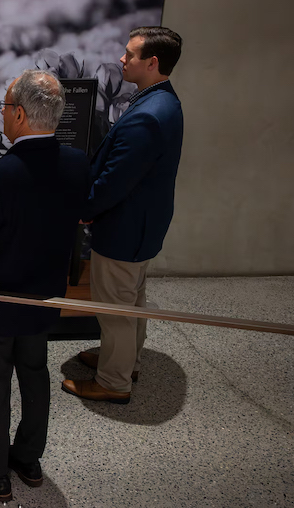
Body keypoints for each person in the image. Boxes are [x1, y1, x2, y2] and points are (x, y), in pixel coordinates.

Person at [0, 70, 89, 503]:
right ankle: (27, 459)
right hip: (44, 296)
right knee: (33, 372)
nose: (1, 113)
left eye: (6, 107)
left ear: (22, 115)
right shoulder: (77, 162)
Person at [62, 26, 184, 404]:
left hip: (125, 225)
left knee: (114, 307)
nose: (121, 59)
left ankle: (114, 383)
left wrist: (85, 210)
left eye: (129, 54)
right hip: (143, 222)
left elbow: (117, 179)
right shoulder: (162, 100)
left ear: (152, 62)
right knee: (131, 300)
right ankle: (125, 361)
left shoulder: (148, 115)